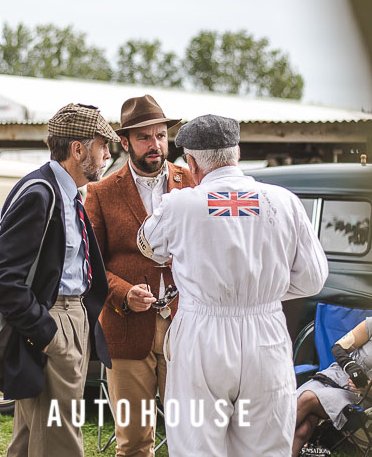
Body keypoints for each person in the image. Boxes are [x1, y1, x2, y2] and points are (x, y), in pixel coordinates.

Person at [137, 114, 329, 457]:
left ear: (191, 162)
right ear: (236, 152)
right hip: (266, 334)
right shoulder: (283, 201)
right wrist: (262, 291)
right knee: (268, 446)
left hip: (202, 334)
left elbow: (148, 245)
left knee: (197, 445)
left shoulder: (181, 205)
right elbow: (313, 278)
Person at [0, 103, 118, 457]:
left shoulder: (65, 192)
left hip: (68, 319)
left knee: (32, 438)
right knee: (60, 439)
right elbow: (1, 275)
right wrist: (44, 333)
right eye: (102, 146)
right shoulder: (41, 192)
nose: (108, 155)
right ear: (78, 149)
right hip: (53, 321)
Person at [85, 95, 194, 457]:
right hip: (126, 326)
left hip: (185, 325)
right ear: (125, 141)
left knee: (191, 437)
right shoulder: (100, 192)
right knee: (133, 443)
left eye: (161, 136)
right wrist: (122, 292)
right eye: (145, 137)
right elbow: (91, 263)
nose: (156, 145)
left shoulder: (190, 181)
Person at [293, 316, 372, 454]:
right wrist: (350, 367)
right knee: (302, 431)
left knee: (307, 398)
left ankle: (266, 441)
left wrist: (370, 388)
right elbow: (338, 348)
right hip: (333, 377)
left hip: (359, 399)